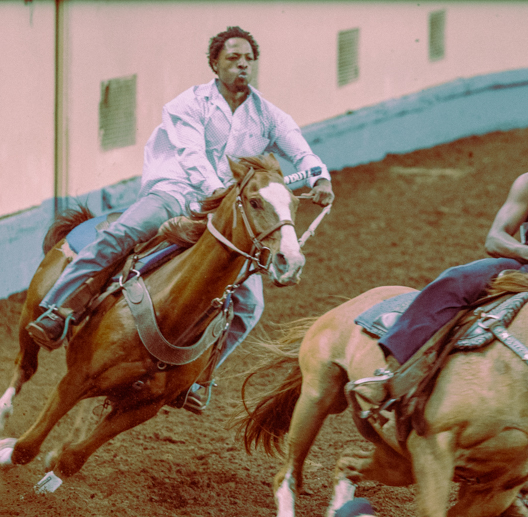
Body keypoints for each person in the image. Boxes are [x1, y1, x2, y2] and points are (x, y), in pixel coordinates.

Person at [27, 26, 335, 412]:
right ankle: (58, 309)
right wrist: (218, 193)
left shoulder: (269, 116)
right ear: (214, 64)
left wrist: (319, 175)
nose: (242, 65)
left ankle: (199, 378)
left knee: (250, 306)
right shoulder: (186, 105)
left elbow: (302, 152)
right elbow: (193, 159)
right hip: (177, 191)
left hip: (227, 209)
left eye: (248, 59)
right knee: (123, 232)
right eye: (232, 59)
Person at [375, 113, 528, 517]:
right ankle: (389, 366)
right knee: (453, 282)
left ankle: (526, 490)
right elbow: (495, 237)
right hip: (520, 270)